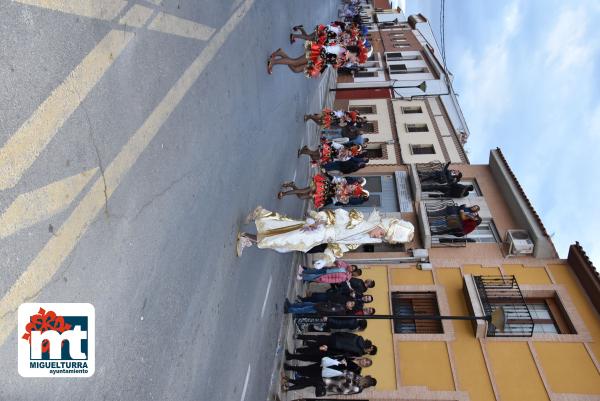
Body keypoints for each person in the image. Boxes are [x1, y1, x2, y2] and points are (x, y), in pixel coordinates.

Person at [237, 207, 415, 264]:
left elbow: (339, 247)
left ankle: (260, 216)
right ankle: (248, 235)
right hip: (318, 231)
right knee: (283, 239)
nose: (379, 237)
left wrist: (326, 259)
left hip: (319, 239)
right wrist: (319, 218)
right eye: (382, 233)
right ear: (381, 226)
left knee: (283, 236)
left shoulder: (365, 238)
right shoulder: (358, 219)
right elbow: (335, 215)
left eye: (382, 237)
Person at [267, 43, 367, 78]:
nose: (355, 61)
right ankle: (273, 62)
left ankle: (281, 53)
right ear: (355, 54)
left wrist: (320, 71)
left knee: (296, 70)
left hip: (318, 63)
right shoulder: (342, 49)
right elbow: (327, 49)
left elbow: (328, 64)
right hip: (317, 55)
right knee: (294, 62)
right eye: (357, 60)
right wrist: (319, 59)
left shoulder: (344, 60)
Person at [278, 174, 369, 209]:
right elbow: (334, 179)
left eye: (352, 187)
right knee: (302, 191)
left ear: (352, 192)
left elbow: (336, 199)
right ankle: (284, 193)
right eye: (352, 185)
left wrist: (340, 195)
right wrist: (326, 175)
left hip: (322, 196)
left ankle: (292, 185)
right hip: (322, 186)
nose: (351, 186)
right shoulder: (344, 182)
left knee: (301, 197)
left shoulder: (345, 198)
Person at [296, 332, 377, 356]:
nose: (370, 349)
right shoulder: (359, 351)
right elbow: (347, 334)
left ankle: (301, 338)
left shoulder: (359, 339)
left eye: (371, 349)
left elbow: (346, 334)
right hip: (335, 344)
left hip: (335, 342)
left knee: (317, 340)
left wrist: (335, 334)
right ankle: (299, 342)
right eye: (371, 348)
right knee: (318, 343)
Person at [284, 299, 355, 316]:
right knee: (304, 304)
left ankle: (289, 310)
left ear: (350, 308)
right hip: (321, 304)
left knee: (303, 309)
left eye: (351, 304)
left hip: (320, 308)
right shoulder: (342, 304)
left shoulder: (342, 309)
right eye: (351, 301)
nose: (349, 302)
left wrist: (319, 308)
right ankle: (291, 306)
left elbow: (330, 310)